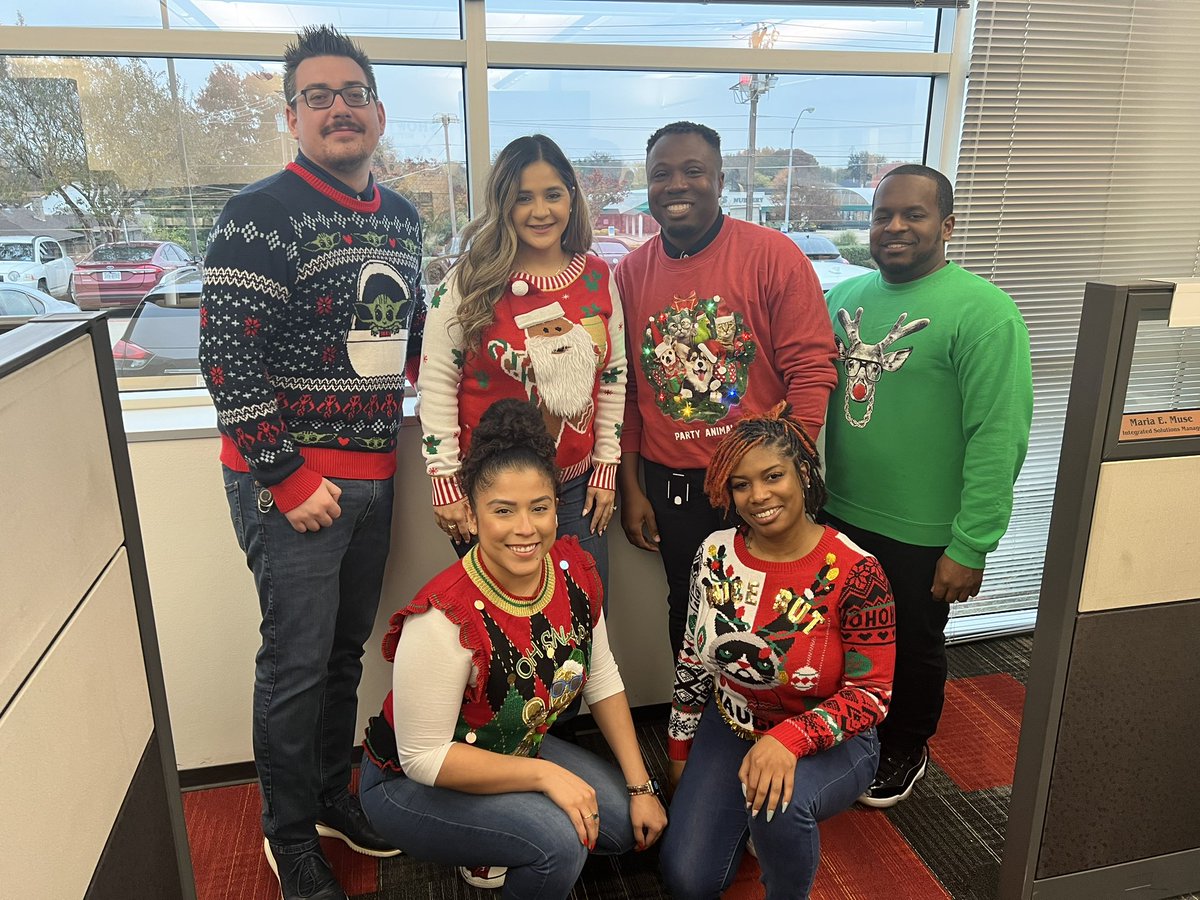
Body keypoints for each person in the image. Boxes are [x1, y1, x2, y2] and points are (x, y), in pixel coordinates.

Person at [199, 25, 424, 900]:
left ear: (377, 111)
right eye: (319, 96)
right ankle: (287, 835)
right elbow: (226, 357)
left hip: (374, 474)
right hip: (288, 485)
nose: (339, 108)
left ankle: (334, 796)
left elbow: (406, 342)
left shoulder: (402, 219)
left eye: (354, 94)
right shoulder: (258, 212)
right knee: (294, 665)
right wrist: (287, 477)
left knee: (340, 658)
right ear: (293, 115)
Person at [359, 398, 667, 898]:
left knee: (617, 826)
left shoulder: (573, 573)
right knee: (562, 842)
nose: (526, 529)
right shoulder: (443, 616)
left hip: (512, 743)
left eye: (539, 508)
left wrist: (641, 788)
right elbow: (424, 758)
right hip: (409, 783)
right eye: (503, 510)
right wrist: (544, 776)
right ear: (474, 517)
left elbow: (601, 675)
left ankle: (500, 836)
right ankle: (503, 838)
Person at [822, 164, 1032, 808]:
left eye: (913, 215)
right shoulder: (843, 299)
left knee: (913, 644)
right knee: (847, 635)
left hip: (923, 530)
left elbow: (1000, 437)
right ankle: (852, 728)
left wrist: (972, 544)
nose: (894, 227)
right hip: (837, 512)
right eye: (882, 214)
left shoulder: (986, 313)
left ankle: (906, 746)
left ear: (947, 223)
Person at [615, 121, 838, 659]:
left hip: (761, 479)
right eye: (661, 174)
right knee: (691, 613)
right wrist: (632, 486)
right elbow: (623, 393)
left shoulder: (774, 256)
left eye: (694, 171)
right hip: (673, 485)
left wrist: (793, 471)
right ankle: (699, 733)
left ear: (720, 180)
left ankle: (776, 735)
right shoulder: (629, 274)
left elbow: (812, 367)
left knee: (781, 611)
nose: (677, 185)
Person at [659, 403, 895, 900]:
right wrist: (680, 749)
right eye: (741, 484)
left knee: (780, 806)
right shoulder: (715, 552)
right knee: (688, 880)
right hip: (733, 726)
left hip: (833, 742)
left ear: (803, 473)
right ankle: (749, 815)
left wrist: (790, 739)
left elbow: (872, 695)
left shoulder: (857, 572)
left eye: (773, 476)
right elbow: (693, 657)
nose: (758, 496)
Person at [417, 134, 625, 592]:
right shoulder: (467, 280)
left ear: (572, 196)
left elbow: (612, 378)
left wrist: (606, 467)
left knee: (583, 622)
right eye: (522, 198)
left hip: (574, 490)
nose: (540, 211)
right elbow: (436, 382)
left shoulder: (597, 275)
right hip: (492, 495)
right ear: (502, 204)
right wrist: (445, 481)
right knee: (504, 633)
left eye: (553, 194)